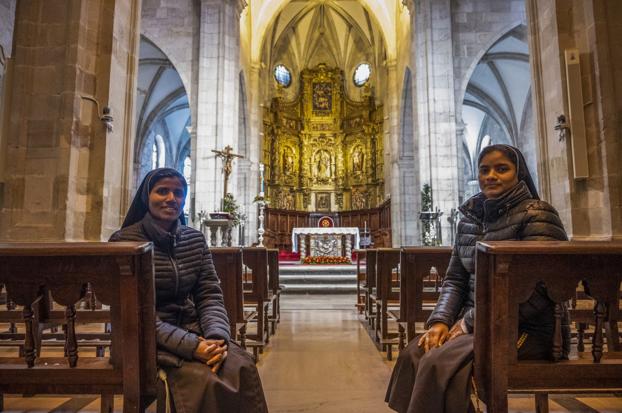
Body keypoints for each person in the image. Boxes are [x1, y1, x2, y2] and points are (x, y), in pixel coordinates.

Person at [385, 144, 569, 413]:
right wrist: (440, 321)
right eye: (484, 170)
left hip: (528, 331)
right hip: (478, 326)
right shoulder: (470, 220)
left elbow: (539, 292)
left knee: (439, 363)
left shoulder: (538, 215)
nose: (490, 176)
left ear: (519, 173)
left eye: (501, 169)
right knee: (415, 352)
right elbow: (455, 280)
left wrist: (469, 323)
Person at [110, 168, 268, 413]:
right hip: (144, 337)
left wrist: (216, 336)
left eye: (178, 193)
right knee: (205, 379)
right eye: (162, 191)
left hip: (193, 328)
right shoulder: (125, 242)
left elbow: (209, 294)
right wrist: (193, 347)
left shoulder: (194, 239)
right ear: (146, 197)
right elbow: (135, 313)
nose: (171, 198)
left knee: (241, 365)